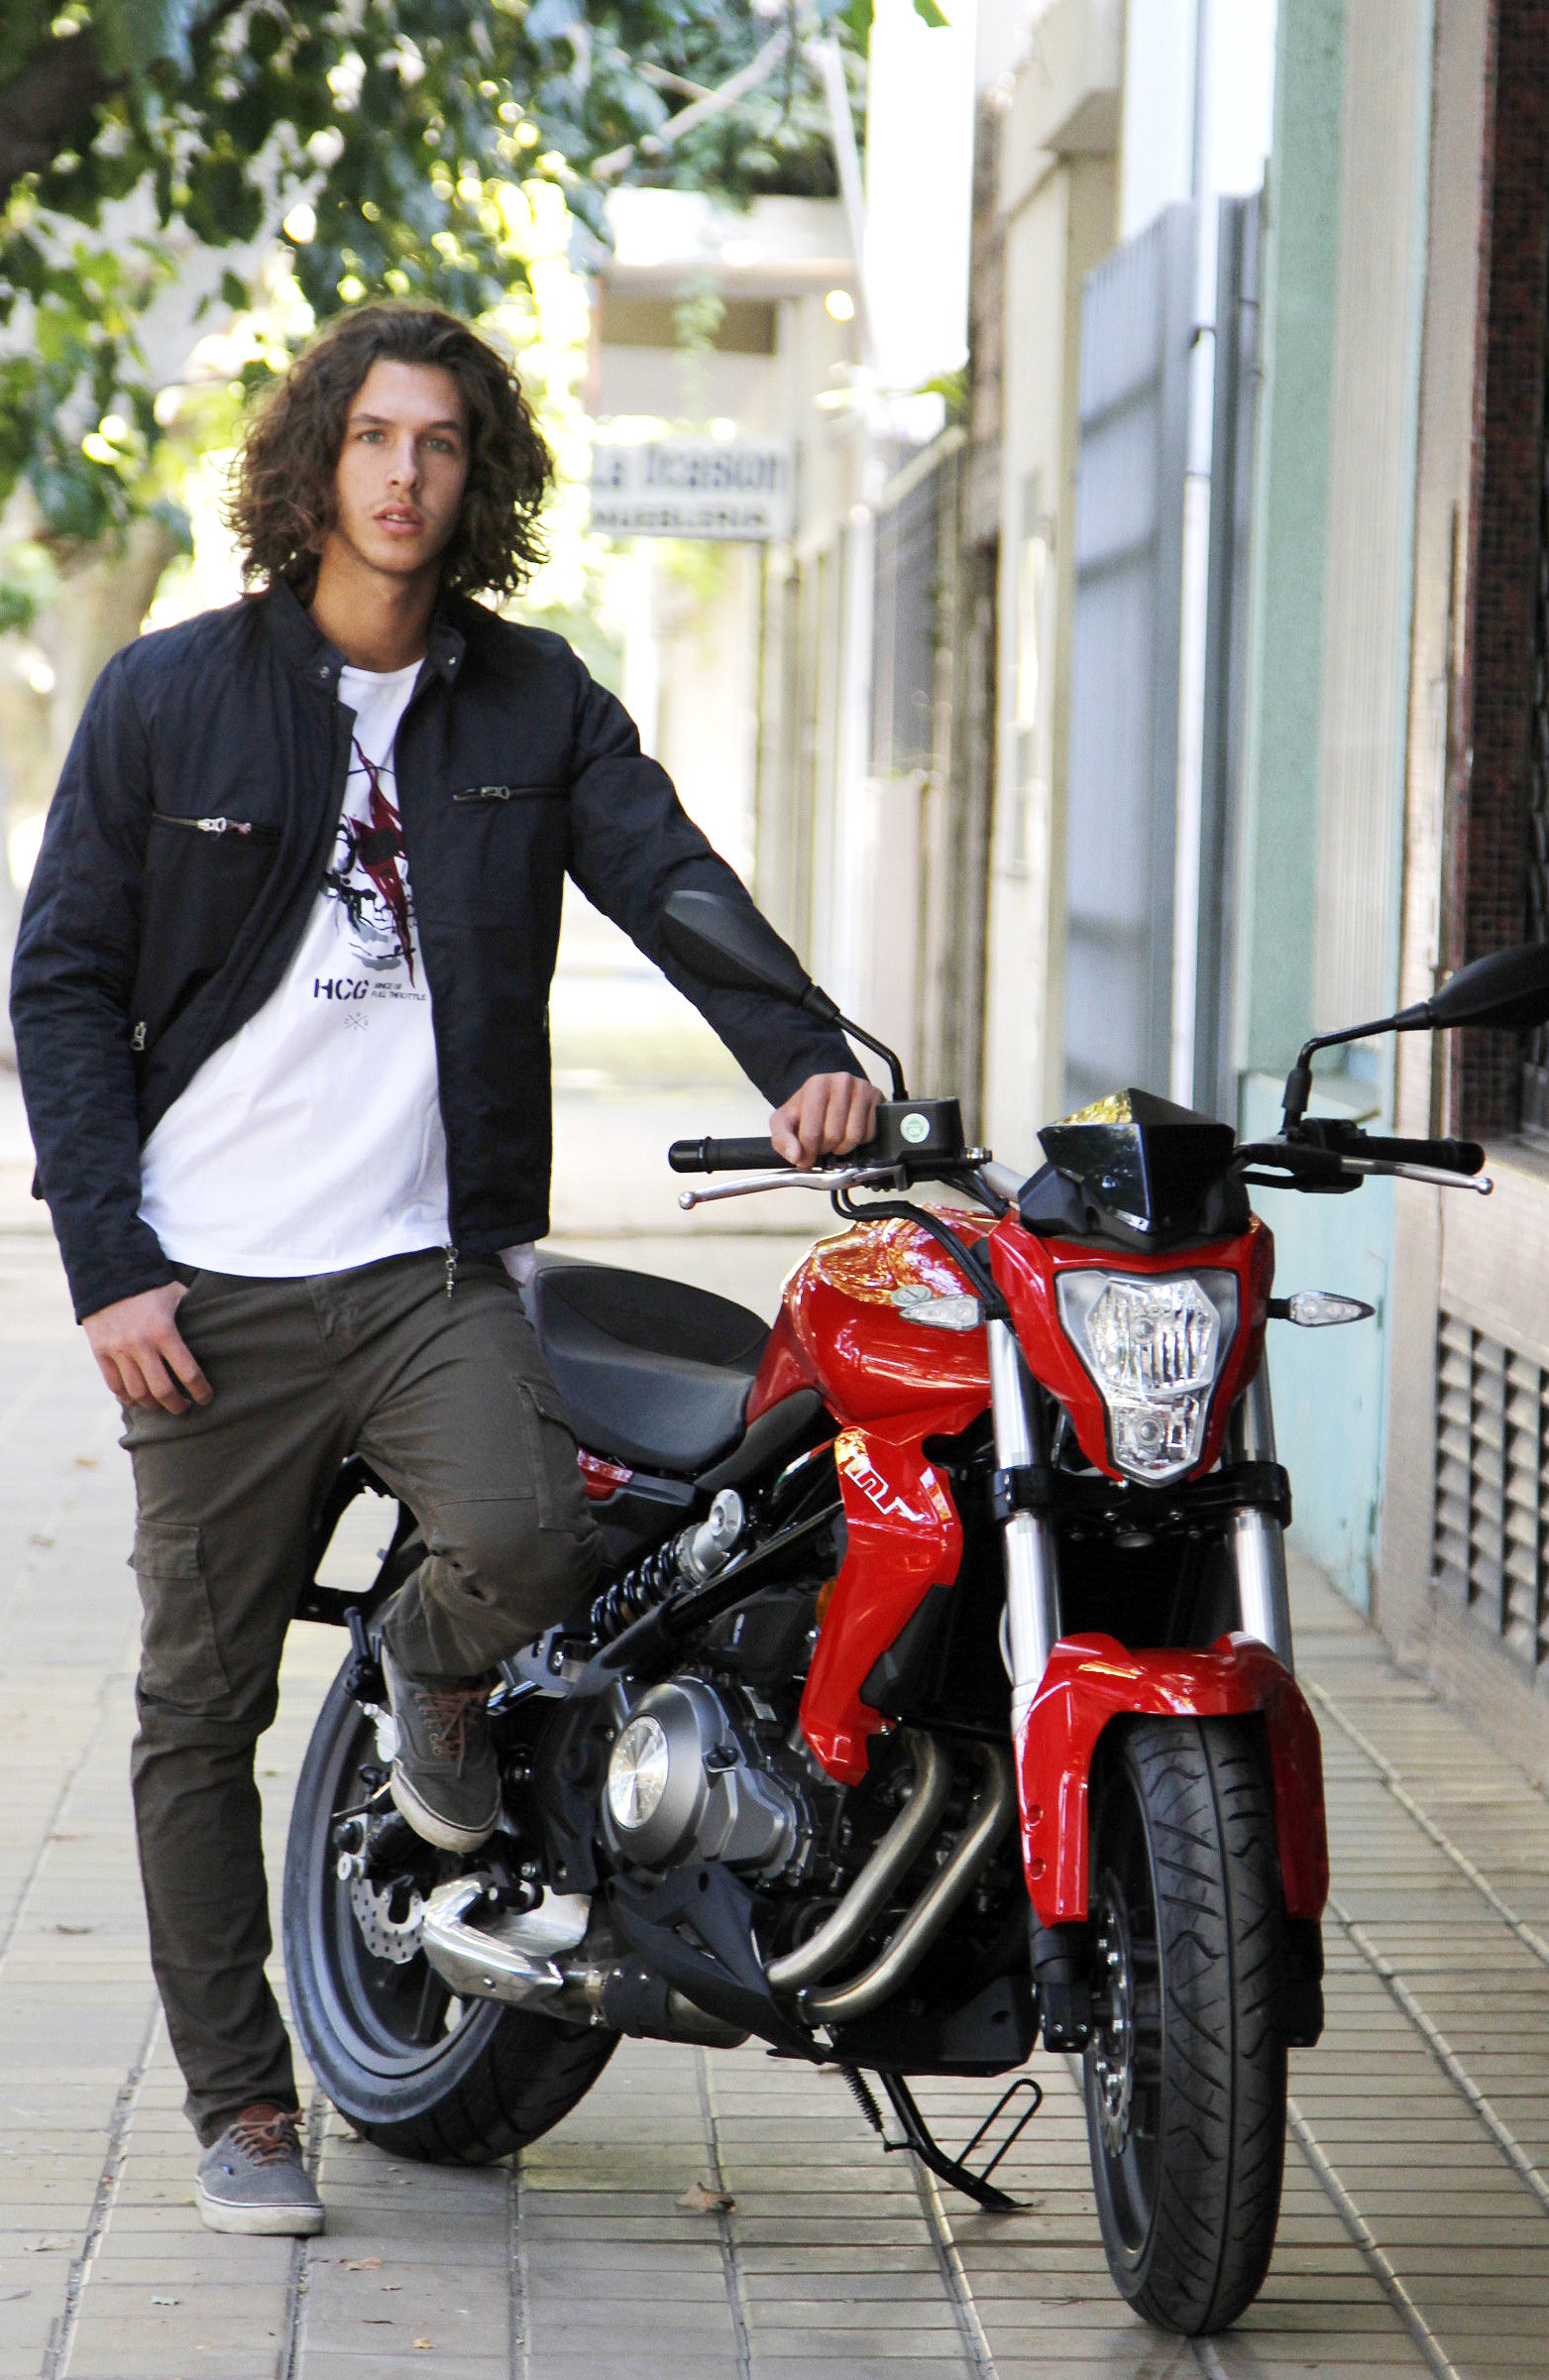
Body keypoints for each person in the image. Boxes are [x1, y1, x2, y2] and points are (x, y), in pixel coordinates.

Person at [10, 303, 879, 2237]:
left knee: (533, 1536)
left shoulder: (531, 701)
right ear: (316, 458)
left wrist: (807, 1057)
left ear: (479, 478)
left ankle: (425, 1664)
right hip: (211, 1295)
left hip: (428, 1268)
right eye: (374, 438)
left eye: (442, 444)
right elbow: (59, 982)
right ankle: (246, 2103)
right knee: (196, 1708)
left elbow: (671, 880)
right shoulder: (170, 697)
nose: (405, 475)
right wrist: (109, 1264)